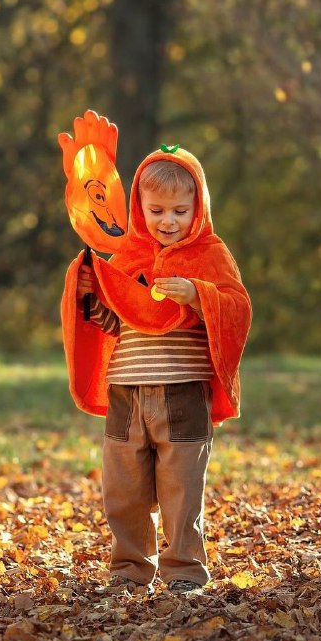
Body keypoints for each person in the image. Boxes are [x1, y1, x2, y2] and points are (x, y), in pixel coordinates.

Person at [61, 141, 252, 597]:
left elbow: (238, 307)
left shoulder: (211, 254)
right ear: (139, 208)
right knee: (123, 491)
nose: (169, 221)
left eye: (181, 211)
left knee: (182, 490)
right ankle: (129, 570)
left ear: (199, 208)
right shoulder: (127, 255)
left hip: (183, 394)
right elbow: (113, 322)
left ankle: (184, 571)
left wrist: (198, 295)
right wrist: (89, 294)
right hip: (127, 393)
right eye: (157, 210)